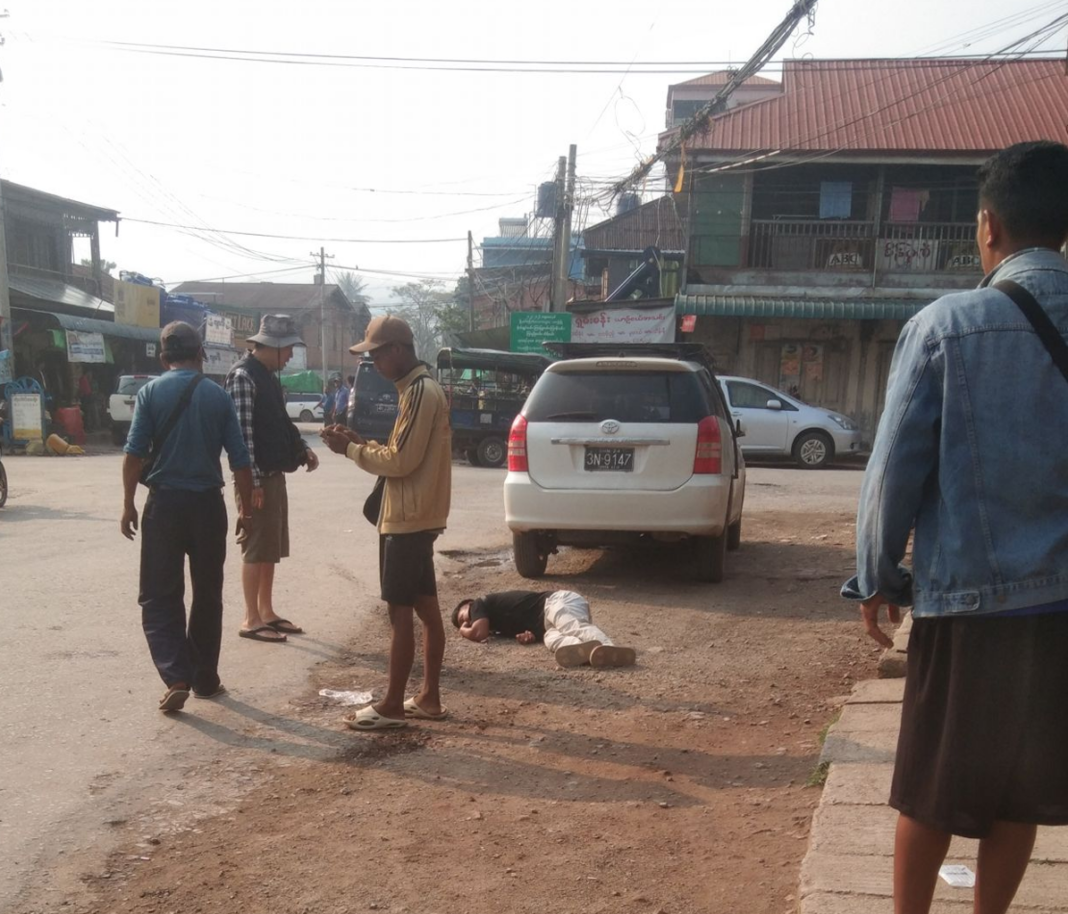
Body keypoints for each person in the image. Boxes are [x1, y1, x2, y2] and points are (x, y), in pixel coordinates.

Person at [843, 141, 1068, 914]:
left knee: (931, 792)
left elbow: (892, 473)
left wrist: (876, 578)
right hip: (1061, 614)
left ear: (988, 226)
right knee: (1020, 792)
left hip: (970, 607)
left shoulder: (948, 326)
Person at [320, 315, 451, 731]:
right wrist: (361, 444)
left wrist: (350, 452)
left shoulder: (419, 391)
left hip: (406, 520)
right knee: (426, 609)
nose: (374, 364)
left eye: (376, 355)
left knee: (400, 613)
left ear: (396, 350)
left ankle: (393, 704)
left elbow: (400, 462)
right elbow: (403, 452)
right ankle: (428, 697)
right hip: (418, 515)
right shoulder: (419, 388)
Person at [120, 321, 253, 712]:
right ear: (201, 354)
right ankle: (205, 679)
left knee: (159, 594)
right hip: (208, 507)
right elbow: (240, 460)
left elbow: (133, 454)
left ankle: (176, 676)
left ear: (164, 358)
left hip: (164, 506)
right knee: (208, 594)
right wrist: (245, 509)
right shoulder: (218, 396)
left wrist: (128, 503)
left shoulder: (150, 393)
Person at [224, 314, 320, 644]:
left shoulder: (267, 376)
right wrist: (251, 484)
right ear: (273, 346)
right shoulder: (243, 377)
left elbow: (281, 423)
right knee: (255, 548)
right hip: (256, 480)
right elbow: (242, 438)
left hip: (273, 475)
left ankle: (266, 611)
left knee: (270, 547)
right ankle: (250, 618)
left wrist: (302, 448)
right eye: (288, 348)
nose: (291, 355)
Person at [451, 590, 636, 669]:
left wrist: (463, 630)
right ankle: (589, 651)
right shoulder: (497, 625)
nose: (466, 621)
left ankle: (610, 647)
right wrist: (529, 636)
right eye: (462, 623)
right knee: (552, 641)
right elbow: (528, 622)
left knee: (572, 626)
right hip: (547, 625)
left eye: (463, 617)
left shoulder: (478, 603)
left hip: (557, 601)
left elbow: (479, 633)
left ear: (468, 604)